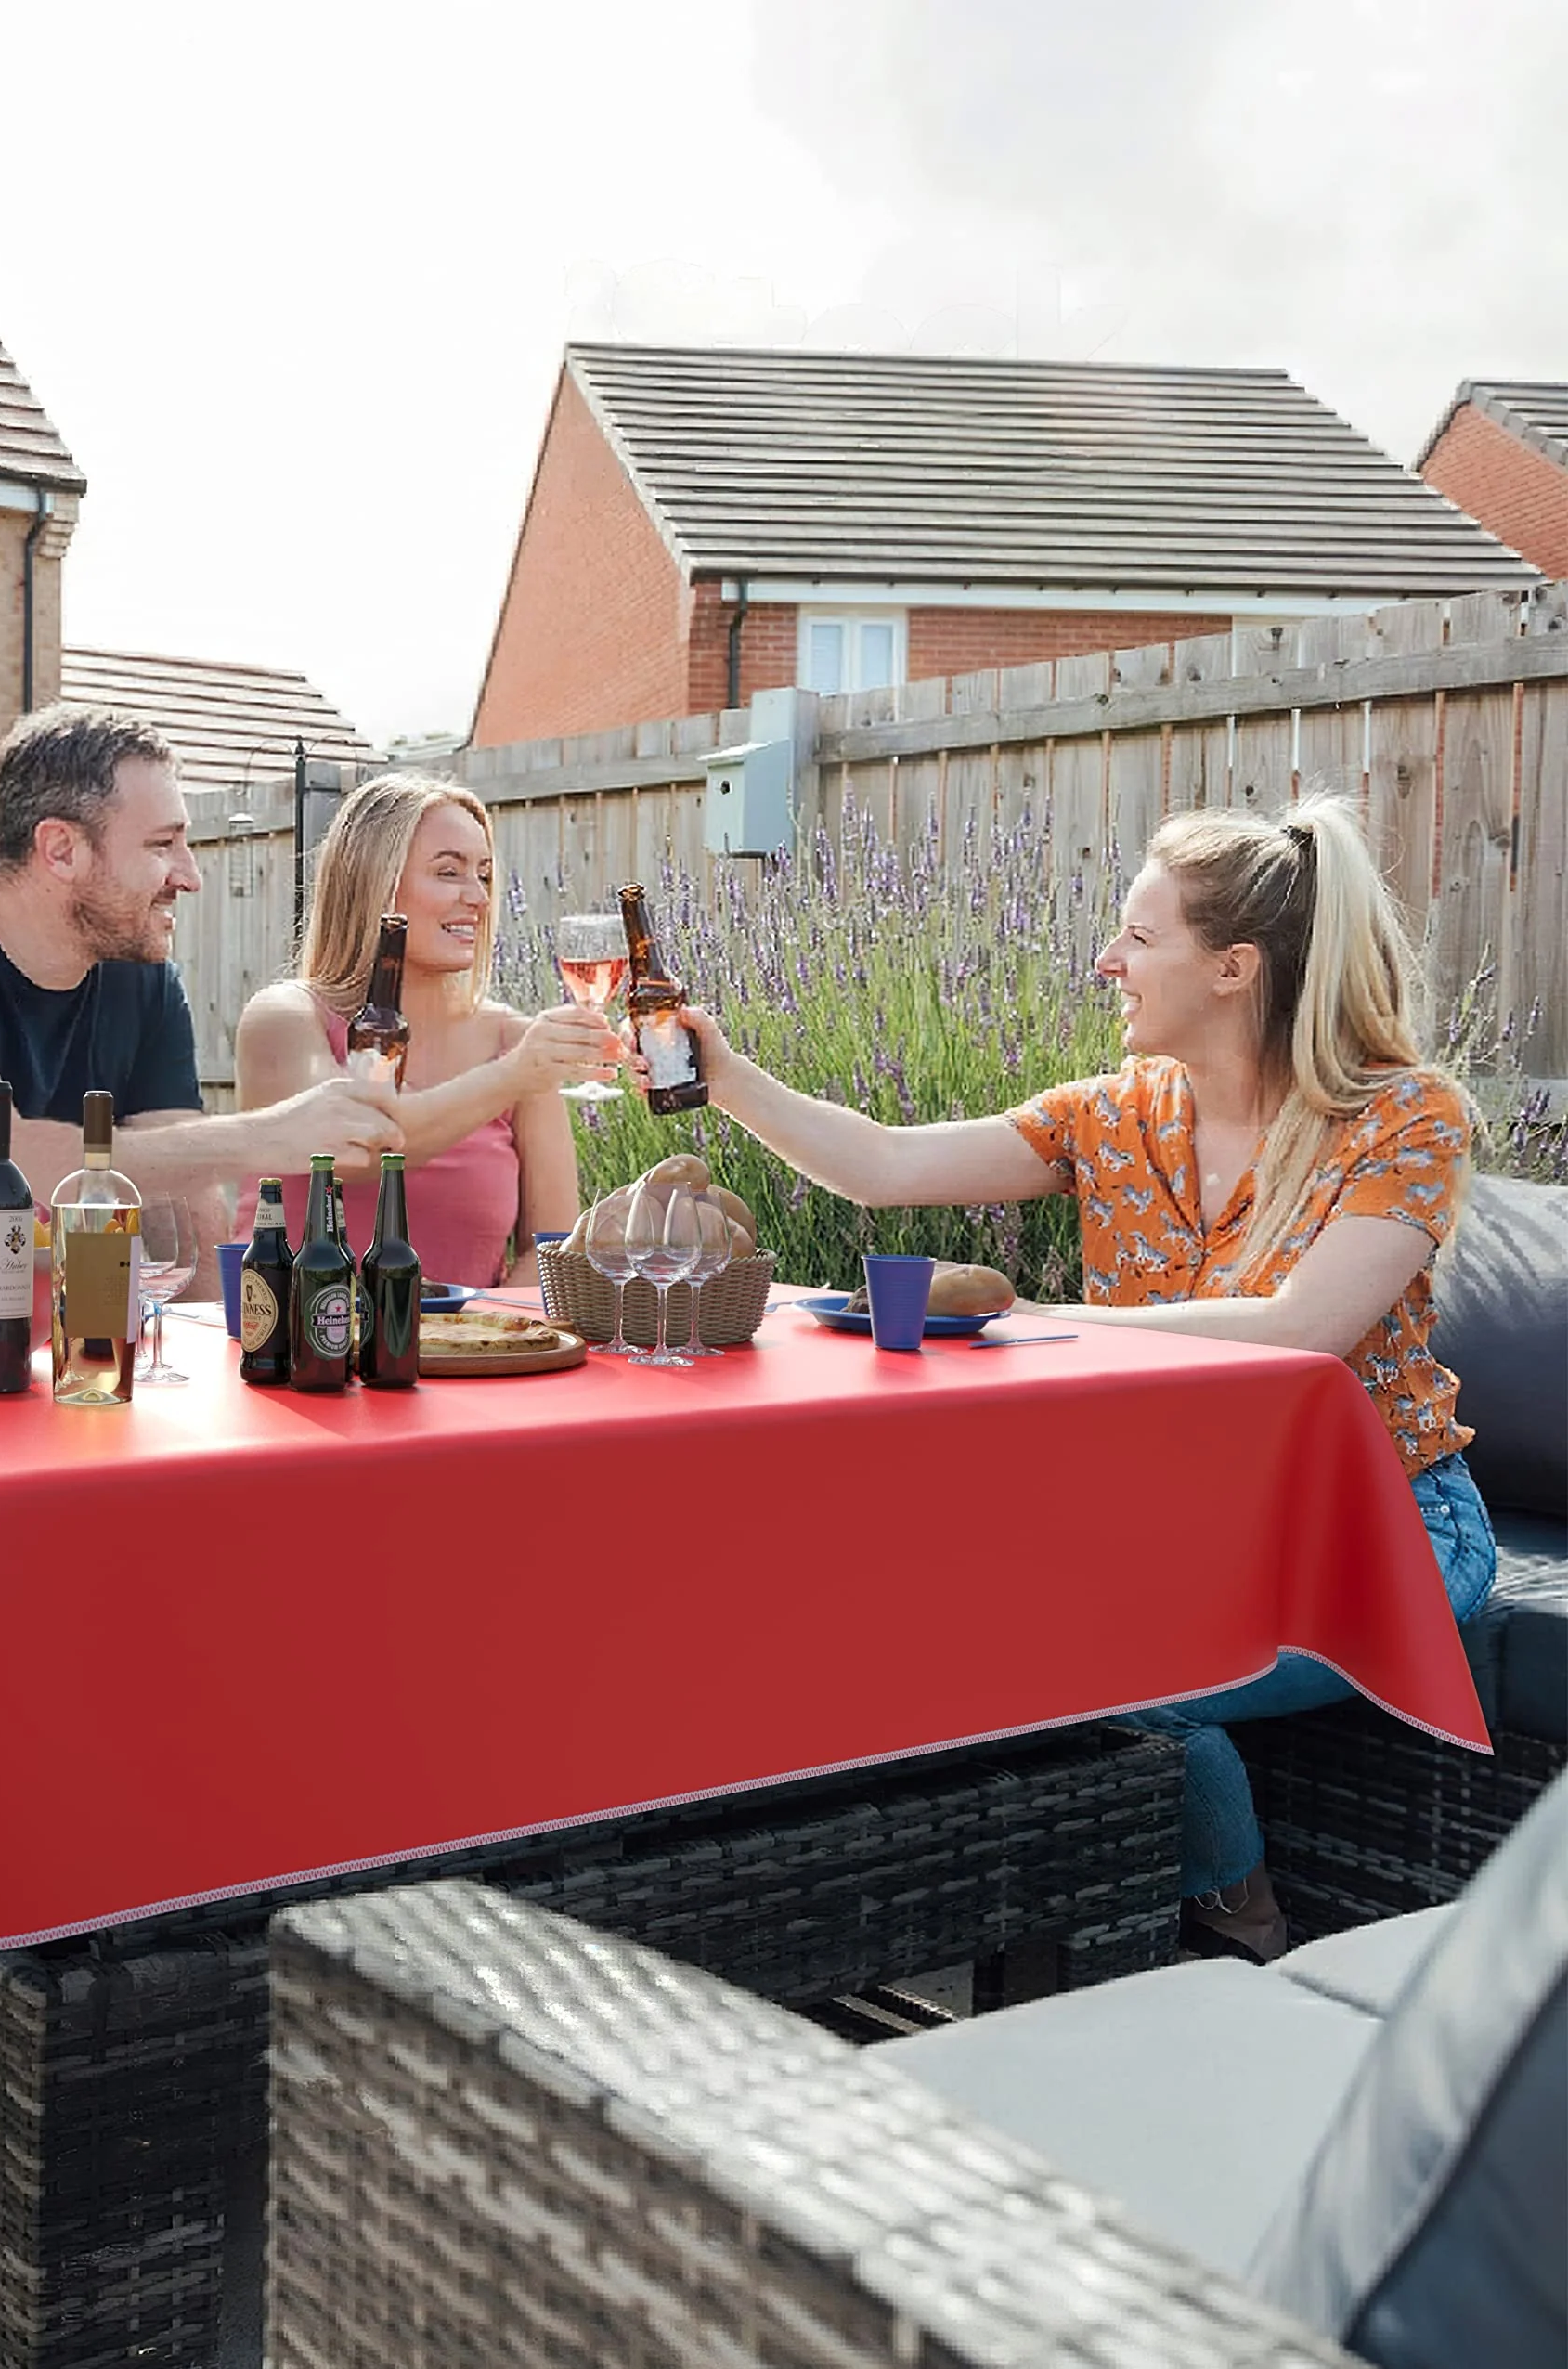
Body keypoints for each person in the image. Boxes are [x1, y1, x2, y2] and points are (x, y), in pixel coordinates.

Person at [665, 793, 1496, 1960]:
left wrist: (1053, 1321)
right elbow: (881, 1166)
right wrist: (722, 1072)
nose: (1107, 961)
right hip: (1197, 1534)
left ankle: (1241, 1920)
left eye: (1139, 937)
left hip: (1385, 1533)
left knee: (1118, 1684)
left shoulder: (1401, 1119)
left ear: (1232, 968)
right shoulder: (1118, 1117)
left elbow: (1305, 1325)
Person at [0, 706, 400, 1322]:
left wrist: (205, 1354)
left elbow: (184, 1189)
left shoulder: (142, 984)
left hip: (23, 1367)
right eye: (162, 845)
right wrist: (266, 1135)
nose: (190, 874)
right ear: (61, 849)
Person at [231, 773, 622, 1288]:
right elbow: (351, 1151)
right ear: (374, 884)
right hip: (295, 1355)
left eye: (483, 874)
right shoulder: (285, 1020)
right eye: (448, 873)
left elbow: (551, 1253)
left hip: (463, 1358)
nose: (479, 898)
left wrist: (469, 1338)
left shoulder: (513, 1044)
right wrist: (513, 1076)